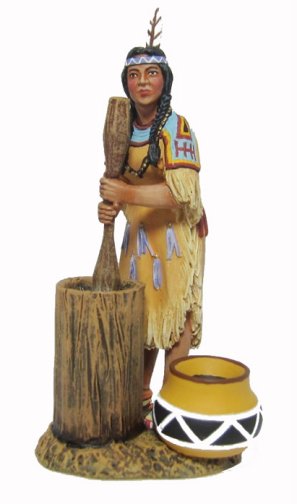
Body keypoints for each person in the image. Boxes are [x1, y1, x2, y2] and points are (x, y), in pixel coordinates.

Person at [98, 44, 208, 429]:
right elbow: (118, 182)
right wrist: (111, 205)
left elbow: (181, 193)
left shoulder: (175, 128)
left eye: (151, 73)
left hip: (174, 238)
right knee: (140, 316)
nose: (142, 82)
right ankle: (138, 399)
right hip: (140, 236)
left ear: (165, 79)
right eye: (134, 74)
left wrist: (124, 194)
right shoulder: (123, 129)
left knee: (175, 316)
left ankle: (172, 404)